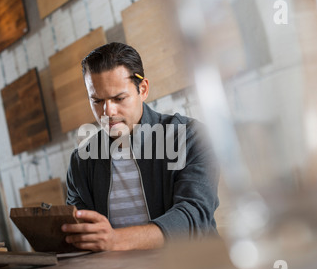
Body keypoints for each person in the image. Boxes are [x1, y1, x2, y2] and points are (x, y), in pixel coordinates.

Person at [62, 42, 219, 251]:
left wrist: (115, 240)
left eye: (119, 98)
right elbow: (81, 232)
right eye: (97, 100)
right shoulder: (81, 161)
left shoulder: (190, 137)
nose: (107, 111)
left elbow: (193, 216)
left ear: (142, 89)